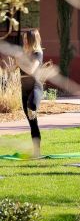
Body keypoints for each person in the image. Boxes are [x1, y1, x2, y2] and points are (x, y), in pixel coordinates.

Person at [15, 29, 44, 158]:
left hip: (35, 88)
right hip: (24, 90)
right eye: (24, 39)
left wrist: (19, 62)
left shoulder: (37, 53)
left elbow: (31, 70)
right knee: (33, 123)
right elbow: (12, 68)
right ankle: (36, 152)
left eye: (27, 39)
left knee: (32, 106)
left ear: (33, 40)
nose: (25, 41)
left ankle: (37, 152)